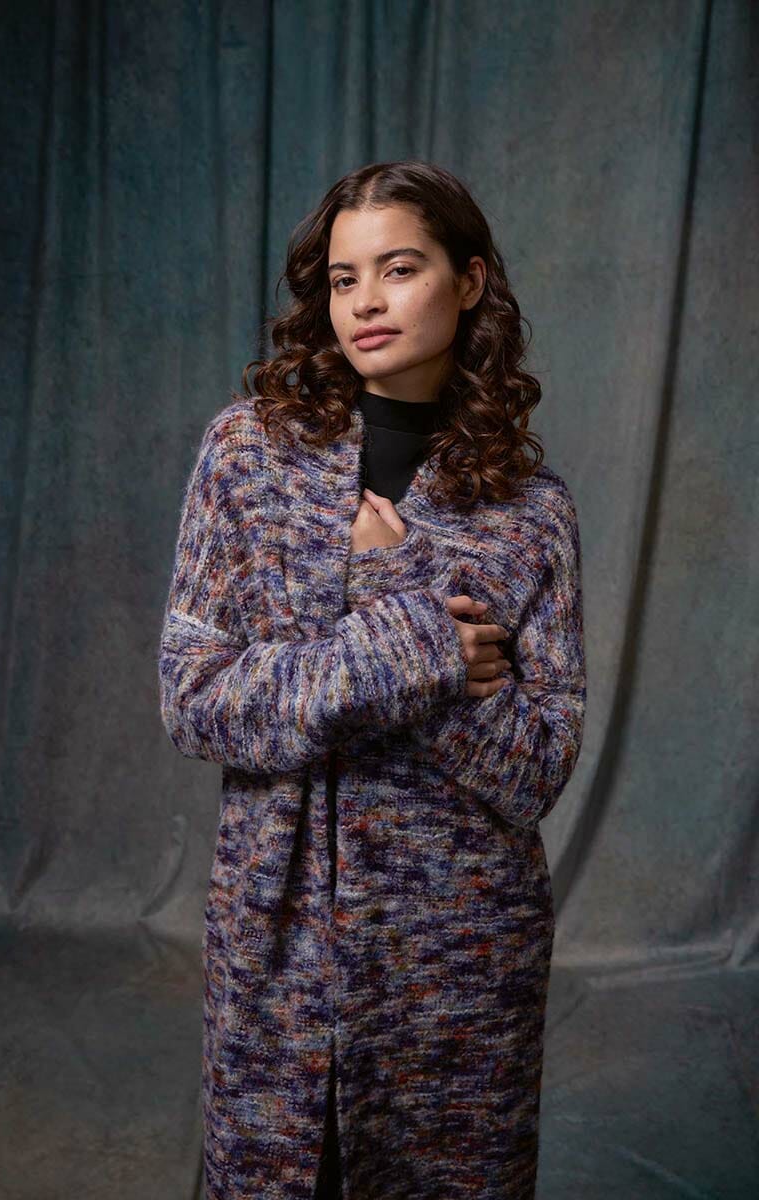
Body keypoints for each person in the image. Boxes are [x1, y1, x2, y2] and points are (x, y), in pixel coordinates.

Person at [159, 159, 586, 1200]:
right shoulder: (247, 456)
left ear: (468, 281)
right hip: (280, 931)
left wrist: (395, 583)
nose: (366, 303)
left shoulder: (530, 510)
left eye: (399, 269)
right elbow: (195, 697)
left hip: (458, 954)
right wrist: (421, 647)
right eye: (344, 279)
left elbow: (535, 769)